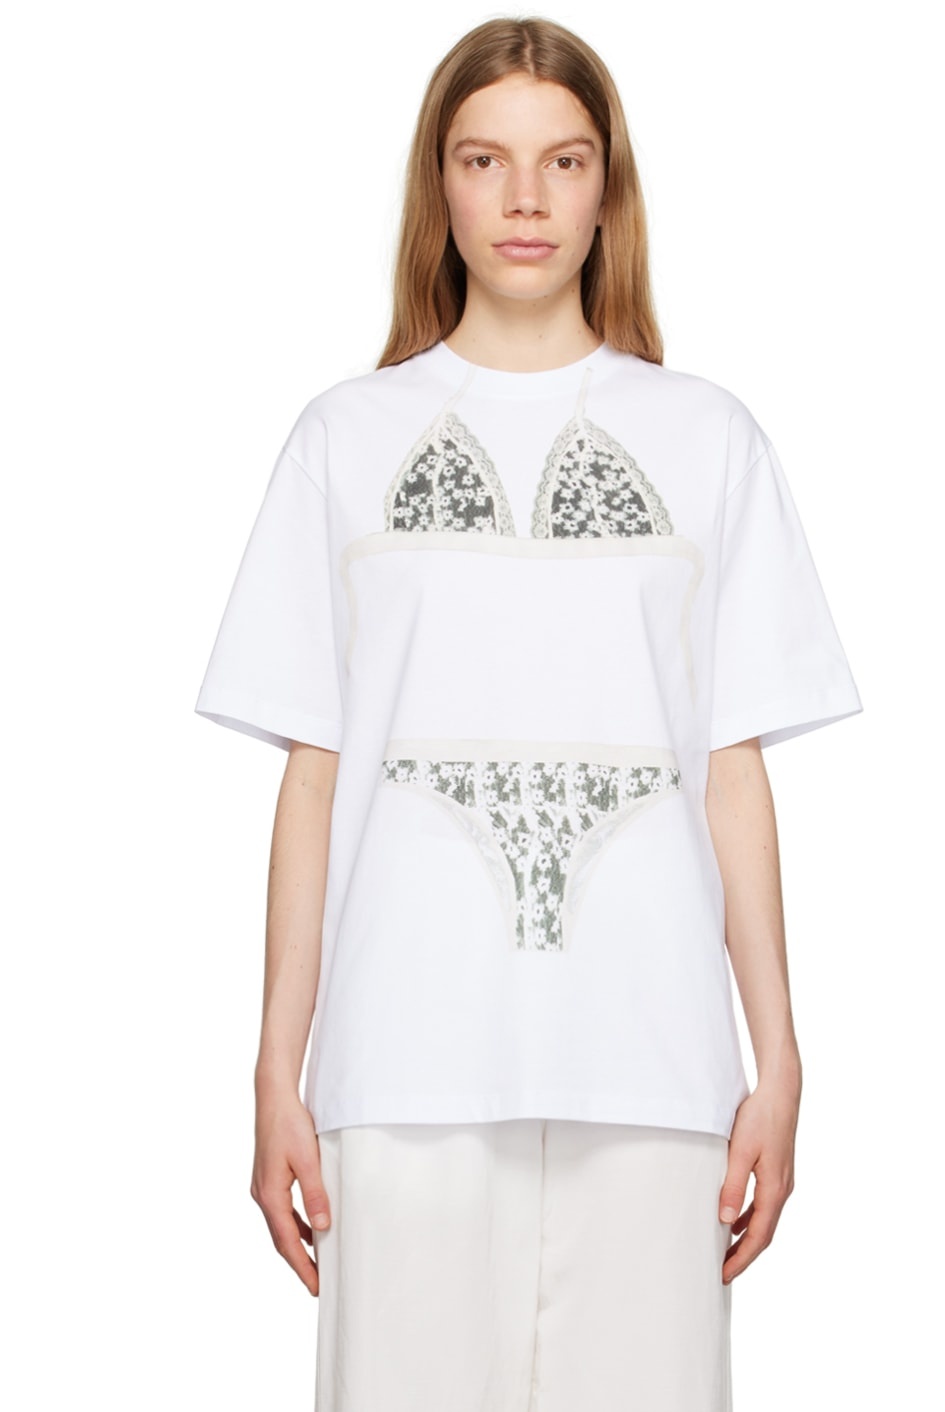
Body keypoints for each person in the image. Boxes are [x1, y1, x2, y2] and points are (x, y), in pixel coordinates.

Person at [194, 16, 862, 1412]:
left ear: (608, 188)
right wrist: (274, 1071)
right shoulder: (343, 439)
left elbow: (730, 766)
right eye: (483, 159)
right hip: (403, 1060)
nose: (524, 199)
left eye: (563, 161)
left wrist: (780, 1058)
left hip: (654, 1061)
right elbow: (314, 773)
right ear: (437, 184)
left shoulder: (708, 438)